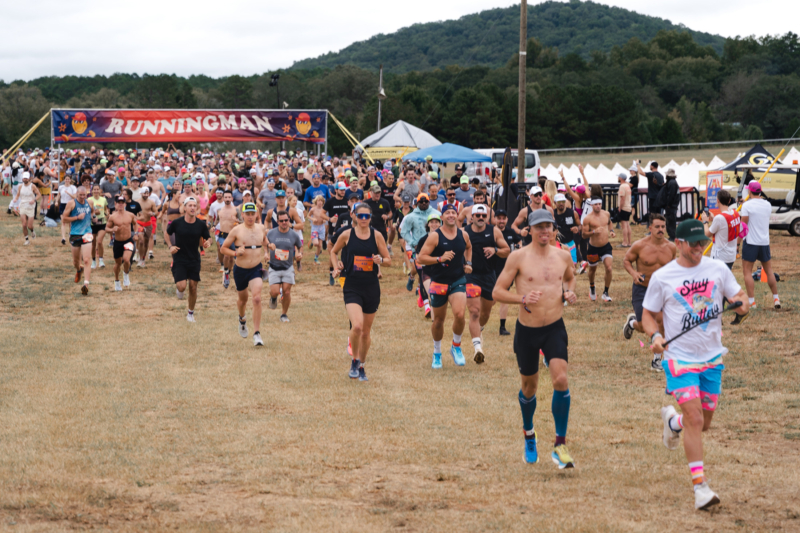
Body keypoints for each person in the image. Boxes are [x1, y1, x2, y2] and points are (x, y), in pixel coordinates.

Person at [644, 219, 749, 510]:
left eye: (702, 242)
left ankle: (671, 422)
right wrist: (654, 335)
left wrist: (743, 304)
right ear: (678, 244)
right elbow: (648, 314)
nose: (699, 248)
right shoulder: (663, 277)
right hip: (679, 359)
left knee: (703, 422)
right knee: (695, 419)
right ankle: (700, 488)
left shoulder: (717, 269)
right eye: (693, 244)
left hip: (712, 358)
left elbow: (738, 296)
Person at [492, 209, 578, 467]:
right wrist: (521, 298)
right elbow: (497, 291)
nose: (544, 231)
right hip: (527, 331)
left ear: (553, 229)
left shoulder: (563, 256)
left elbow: (570, 280)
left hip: (554, 327)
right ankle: (529, 434)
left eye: (548, 227)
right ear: (529, 229)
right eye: (539, 227)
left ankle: (560, 445)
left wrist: (569, 293)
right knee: (529, 388)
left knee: (561, 379)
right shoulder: (518, 257)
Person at [331, 202, 392, 381]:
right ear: (354, 217)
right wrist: (336, 267)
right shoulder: (347, 234)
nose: (363, 219)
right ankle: (354, 361)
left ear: (370, 218)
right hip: (352, 285)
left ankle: (363, 365)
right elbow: (333, 252)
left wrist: (380, 260)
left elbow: (388, 260)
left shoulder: (377, 235)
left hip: (371, 287)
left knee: (365, 331)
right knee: (356, 325)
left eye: (367, 216)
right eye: (360, 216)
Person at [417, 204, 473, 369]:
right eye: (447, 213)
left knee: (460, 314)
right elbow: (421, 258)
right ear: (441, 217)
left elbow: (469, 248)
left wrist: (468, 263)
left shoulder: (463, 235)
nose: (450, 215)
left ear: (457, 216)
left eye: (453, 212)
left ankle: (456, 347)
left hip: (458, 280)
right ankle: (437, 352)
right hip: (439, 282)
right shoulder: (435, 236)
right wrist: (439, 259)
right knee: (439, 321)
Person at [622, 214, 677, 370]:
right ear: (650, 228)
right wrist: (634, 274)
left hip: (661, 291)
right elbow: (626, 260)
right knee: (644, 326)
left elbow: (673, 268)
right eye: (657, 227)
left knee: (662, 322)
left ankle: (657, 360)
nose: (661, 230)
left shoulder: (671, 247)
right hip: (642, 289)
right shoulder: (640, 246)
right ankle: (632, 323)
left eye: (663, 227)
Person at [464, 204, 510, 363]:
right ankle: (478, 348)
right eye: (478, 215)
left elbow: (507, 250)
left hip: (489, 276)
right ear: (472, 217)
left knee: (485, 314)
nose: (481, 218)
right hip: (470, 276)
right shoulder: (465, 232)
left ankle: (479, 329)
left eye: (483, 216)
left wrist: (495, 250)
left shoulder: (494, 231)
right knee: (474, 312)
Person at [221, 202, 267, 346]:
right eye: (247, 214)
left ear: (256, 214)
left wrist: (268, 249)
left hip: (256, 269)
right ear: (242, 215)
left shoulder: (261, 228)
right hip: (240, 270)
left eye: (253, 213)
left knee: (257, 299)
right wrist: (235, 253)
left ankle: (257, 333)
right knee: (243, 300)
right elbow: (223, 249)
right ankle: (242, 319)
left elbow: (264, 240)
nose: (250, 216)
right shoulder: (236, 230)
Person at [166, 197, 212, 322]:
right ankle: (176, 277)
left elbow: (208, 237)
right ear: (185, 208)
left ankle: (190, 313)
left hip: (194, 259)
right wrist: (170, 246)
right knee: (182, 287)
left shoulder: (200, 224)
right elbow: (167, 233)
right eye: (190, 205)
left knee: (193, 286)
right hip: (179, 258)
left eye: (194, 205)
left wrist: (208, 242)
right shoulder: (177, 222)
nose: (192, 208)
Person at [739, 181, 780, 310]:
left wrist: (737, 244)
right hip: (764, 242)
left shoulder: (747, 206)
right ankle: (776, 298)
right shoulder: (767, 205)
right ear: (760, 191)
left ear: (750, 192)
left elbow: (743, 226)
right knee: (769, 272)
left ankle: (752, 302)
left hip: (751, 242)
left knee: (747, 272)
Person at [265, 210, 303, 323]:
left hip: (288, 267)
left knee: (286, 292)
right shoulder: (271, 233)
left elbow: (300, 246)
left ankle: (284, 314)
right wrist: (266, 253)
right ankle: (273, 297)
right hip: (274, 267)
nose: (284, 222)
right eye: (281, 221)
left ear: (289, 220)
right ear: (277, 221)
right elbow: (265, 243)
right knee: (275, 291)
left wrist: (299, 254)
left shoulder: (293, 234)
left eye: (286, 220)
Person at [581, 197, 615, 302]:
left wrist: (612, 230)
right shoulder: (588, 218)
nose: (598, 206)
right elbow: (583, 235)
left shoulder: (606, 214)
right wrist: (594, 232)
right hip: (593, 248)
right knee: (592, 270)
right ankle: (592, 287)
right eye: (596, 204)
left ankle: (606, 292)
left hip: (606, 246)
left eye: (600, 204)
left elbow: (609, 222)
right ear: (591, 205)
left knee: (609, 268)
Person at [493, 209, 521, 336]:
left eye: (503, 218)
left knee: (504, 296)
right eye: (499, 218)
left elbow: (518, 242)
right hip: (491, 269)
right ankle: (480, 320)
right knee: (491, 298)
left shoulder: (511, 232)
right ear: (495, 219)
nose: (501, 221)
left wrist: (517, 248)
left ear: (507, 220)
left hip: (506, 269)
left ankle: (502, 327)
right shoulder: (490, 232)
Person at [62, 186, 94, 295]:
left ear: (86, 194)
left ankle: (86, 284)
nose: (82, 197)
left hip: (87, 233)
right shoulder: (71, 203)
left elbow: (92, 212)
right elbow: (64, 219)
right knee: (76, 262)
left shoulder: (90, 203)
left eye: (84, 195)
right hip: (75, 234)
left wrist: (93, 217)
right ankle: (78, 270)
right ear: (77, 194)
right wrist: (77, 218)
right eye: (80, 195)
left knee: (86, 260)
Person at [700, 189, 739, 270]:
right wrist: (714, 218)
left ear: (717, 201)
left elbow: (707, 233)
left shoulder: (720, 218)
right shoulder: (735, 213)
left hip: (721, 256)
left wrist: (705, 222)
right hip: (731, 255)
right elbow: (725, 226)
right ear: (729, 201)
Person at [105, 196, 136, 291]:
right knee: (118, 263)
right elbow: (106, 228)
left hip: (128, 240)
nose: (121, 204)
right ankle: (117, 281)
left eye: (122, 202)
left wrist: (136, 233)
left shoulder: (130, 215)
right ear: (116, 204)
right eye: (119, 202)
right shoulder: (112, 217)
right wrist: (112, 229)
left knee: (126, 260)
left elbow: (135, 224)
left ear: (125, 204)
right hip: (118, 242)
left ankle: (126, 273)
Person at [14, 172, 41, 245]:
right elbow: (17, 195)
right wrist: (15, 199)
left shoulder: (33, 186)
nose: (24, 179)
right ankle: (27, 240)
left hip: (30, 207)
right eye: (24, 178)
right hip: (22, 205)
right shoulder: (20, 186)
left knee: (29, 225)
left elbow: (39, 195)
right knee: (24, 224)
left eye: (26, 178)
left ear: (29, 178)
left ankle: (32, 231)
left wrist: (34, 200)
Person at [553, 193, 579, 268]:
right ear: (555, 202)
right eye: (559, 202)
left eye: (563, 201)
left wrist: (577, 228)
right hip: (558, 243)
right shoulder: (552, 214)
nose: (561, 204)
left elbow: (580, 226)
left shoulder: (572, 213)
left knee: (573, 265)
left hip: (570, 242)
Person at [134, 187, 158, 267]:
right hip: (139, 223)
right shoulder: (137, 202)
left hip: (148, 224)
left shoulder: (151, 202)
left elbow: (156, 212)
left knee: (146, 242)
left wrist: (153, 214)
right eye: (144, 193)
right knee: (141, 241)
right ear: (141, 193)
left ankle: (143, 259)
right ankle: (140, 259)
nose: (146, 195)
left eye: (147, 193)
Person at [88, 184, 108, 269]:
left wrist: (107, 214)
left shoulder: (103, 199)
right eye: (94, 189)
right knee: (93, 243)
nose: (96, 191)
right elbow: (87, 211)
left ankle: (101, 260)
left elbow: (106, 208)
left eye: (97, 189)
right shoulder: (89, 200)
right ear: (92, 191)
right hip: (92, 224)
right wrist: (94, 214)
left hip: (102, 223)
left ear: (100, 191)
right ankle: (93, 261)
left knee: (99, 242)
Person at [659, 169, 680, 240]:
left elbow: (671, 195)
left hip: (671, 206)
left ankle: (672, 236)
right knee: (671, 220)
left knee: (670, 221)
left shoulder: (671, 183)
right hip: (672, 206)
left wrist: (668, 204)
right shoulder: (673, 182)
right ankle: (672, 235)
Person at [617, 173, 632, 247]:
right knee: (627, 224)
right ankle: (629, 242)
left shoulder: (622, 186)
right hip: (628, 207)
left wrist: (620, 207)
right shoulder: (627, 186)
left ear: (620, 178)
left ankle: (625, 242)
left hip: (624, 207)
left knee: (624, 225)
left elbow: (622, 198)